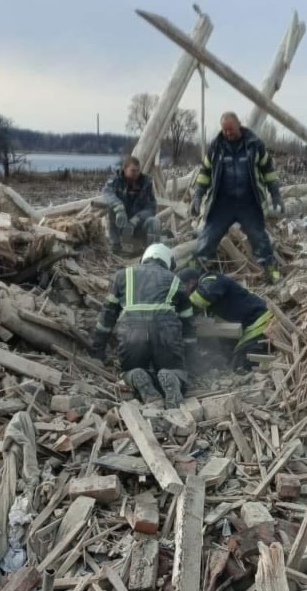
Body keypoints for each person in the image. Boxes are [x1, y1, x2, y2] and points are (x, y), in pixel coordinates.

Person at [90, 243, 192, 406]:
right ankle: (172, 376)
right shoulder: (175, 280)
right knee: (175, 371)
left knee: (128, 370)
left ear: (144, 257)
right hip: (165, 332)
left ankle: (135, 375)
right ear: (167, 262)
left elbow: (107, 317)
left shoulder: (122, 275)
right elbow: (187, 323)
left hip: (132, 333)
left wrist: (97, 351)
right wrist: (189, 358)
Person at [190, 112, 283, 282]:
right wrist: (197, 196)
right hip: (222, 203)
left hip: (249, 203)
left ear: (239, 124)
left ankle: (271, 270)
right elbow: (204, 173)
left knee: (259, 238)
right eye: (225, 130)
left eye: (231, 129)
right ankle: (193, 273)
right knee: (207, 237)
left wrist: (275, 194)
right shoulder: (216, 147)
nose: (228, 133)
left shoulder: (255, 145)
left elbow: (268, 171)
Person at [178, 268, 274, 368]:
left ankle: (265, 369)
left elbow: (202, 297)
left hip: (259, 321)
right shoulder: (210, 285)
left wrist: (180, 309)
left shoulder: (212, 279)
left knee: (243, 363)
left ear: (191, 283)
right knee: (229, 354)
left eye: (183, 288)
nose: (183, 293)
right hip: (251, 323)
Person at [101, 155, 159, 252]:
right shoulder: (116, 180)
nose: (136, 173)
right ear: (124, 169)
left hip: (138, 223)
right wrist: (119, 208)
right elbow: (107, 193)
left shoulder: (145, 183)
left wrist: (136, 220)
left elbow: (151, 207)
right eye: (132, 171)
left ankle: (151, 252)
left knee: (154, 221)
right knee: (111, 210)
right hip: (120, 222)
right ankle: (115, 246)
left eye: (137, 170)